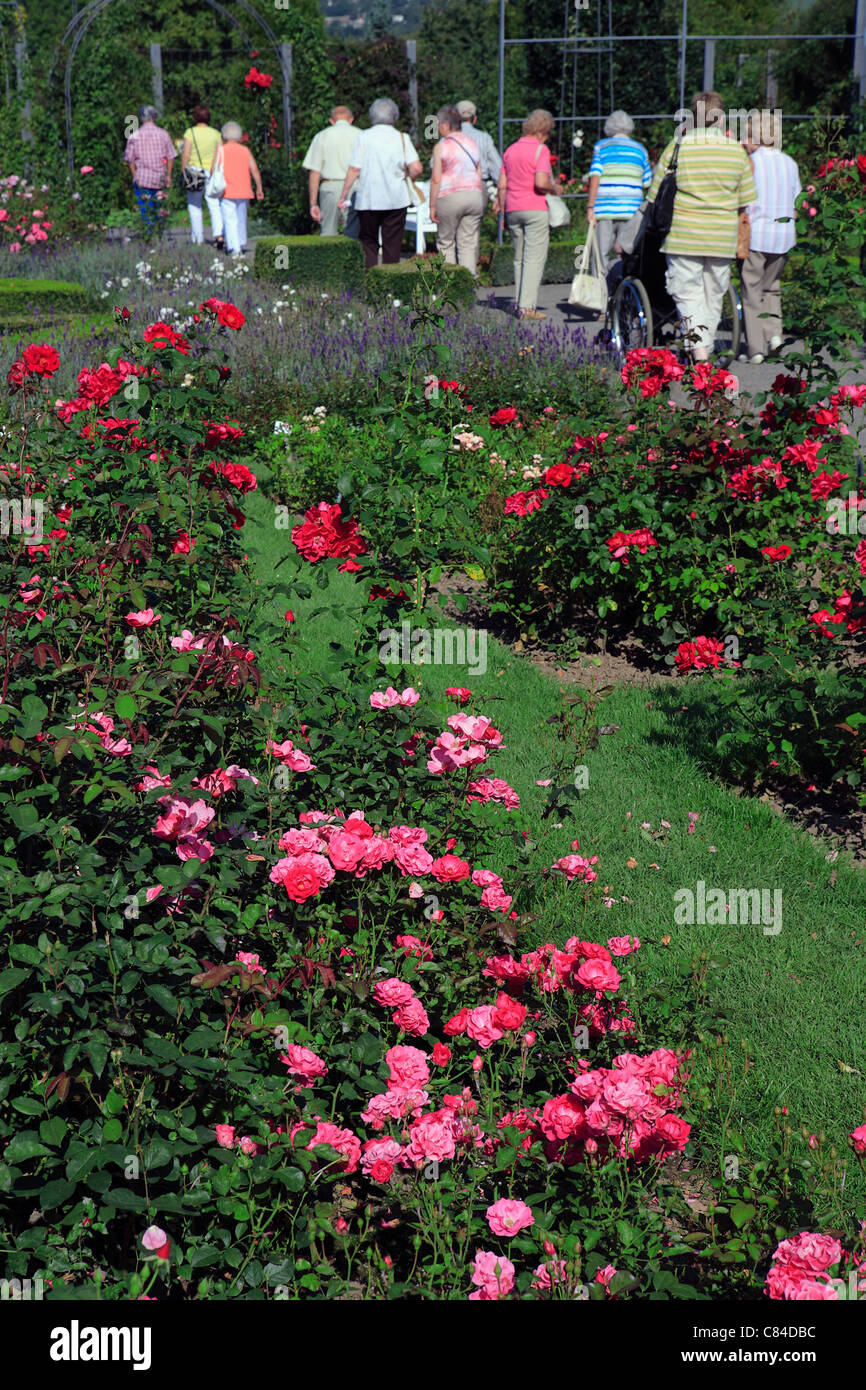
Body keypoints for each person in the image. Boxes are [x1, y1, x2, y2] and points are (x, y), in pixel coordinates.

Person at [646, 90, 757, 362]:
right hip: (721, 238)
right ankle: (702, 351)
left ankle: (700, 354)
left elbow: (654, 196)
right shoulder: (736, 152)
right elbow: (746, 201)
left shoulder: (678, 148)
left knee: (687, 295)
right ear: (720, 118)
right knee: (713, 296)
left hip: (683, 235)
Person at [739, 112, 801, 363]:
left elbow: (743, 199)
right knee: (771, 287)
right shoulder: (790, 163)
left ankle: (755, 348)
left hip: (756, 234)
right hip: (783, 236)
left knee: (751, 291)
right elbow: (796, 202)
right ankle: (774, 335)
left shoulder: (751, 163)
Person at [337, 98, 422, 271]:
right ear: (394, 117)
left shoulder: (364, 137)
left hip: (369, 199)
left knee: (369, 243)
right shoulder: (402, 138)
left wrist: (344, 195)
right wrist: (407, 177)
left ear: (372, 116)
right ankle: (390, 285)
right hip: (396, 198)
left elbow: (354, 168)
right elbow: (417, 168)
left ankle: (371, 281)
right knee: (392, 243)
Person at [496, 109, 556, 320]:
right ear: (541, 131)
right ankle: (527, 307)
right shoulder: (541, 150)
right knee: (534, 259)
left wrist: (503, 211)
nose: (547, 137)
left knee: (519, 258)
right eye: (548, 133)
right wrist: (555, 188)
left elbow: (502, 185)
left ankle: (520, 302)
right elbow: (540, 183)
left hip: (513, 208)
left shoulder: (510, 150)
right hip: (534, 208)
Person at [586, 111, 652, 272]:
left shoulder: (601, 147)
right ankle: (618, 288)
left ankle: (599, 291)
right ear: (630, 128)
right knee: (625, 253)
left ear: (608, 128)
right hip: (631, 210)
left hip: (604, 209)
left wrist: (590, 207)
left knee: (599, 256)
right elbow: (647, 182)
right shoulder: (641, 149)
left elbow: (595, 177)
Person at [428, 105, 486, 277]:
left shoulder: (442, 146)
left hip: (450, 196)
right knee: (467, 244)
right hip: (474, 196)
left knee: (446, 243)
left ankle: (450, 292)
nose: (437, 128)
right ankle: (468, 290)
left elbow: (436, 178)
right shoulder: (473, 143)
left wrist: (432, 205)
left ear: (446, 125)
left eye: (438, 124)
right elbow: (479, 173)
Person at [303, 105, 359, 238]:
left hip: (329, 187)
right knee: (355, 233)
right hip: (355, 186)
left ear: (331, 121)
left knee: (328, 234)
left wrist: (313, 203)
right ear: (351, 120)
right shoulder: (361, 135)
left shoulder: (321, 136)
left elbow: (314, 172)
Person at [123, 105, 176, 237]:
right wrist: (168, 175)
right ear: (154, 117)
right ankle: (159, 234)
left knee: (145, 210)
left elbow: (130, 159)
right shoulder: (163, 134)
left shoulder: (134, 136)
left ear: (141, 118)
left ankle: (148, 235)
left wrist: (135, 175)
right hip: (160, 178)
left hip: (142, 177)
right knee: (160, 209)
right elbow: (171, 156)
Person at [181, 103, 224, 248]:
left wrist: (183, 171)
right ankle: (218, 235)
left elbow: (186, 153)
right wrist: (213, 168)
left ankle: (198, 239)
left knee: (195, 205)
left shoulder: (190, 133)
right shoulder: (216, 134)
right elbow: (219, 153)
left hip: (194, 171)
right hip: (212, 171)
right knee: (214, 204)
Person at [218, 120, 263, 257]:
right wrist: (259, 187)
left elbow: (214, 169)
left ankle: (235, 248)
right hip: (244, 190)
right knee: (241, 218)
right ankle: (239, 243)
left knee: (230, 219)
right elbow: (254, 169)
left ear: (224, 135)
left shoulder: (221, 151)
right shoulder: (245, 150)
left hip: (227, 190)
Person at [456, 100, 502, 183]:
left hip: (453, 185)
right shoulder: (484, 137)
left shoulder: (447, 139)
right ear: (474, 119)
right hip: (478, 184)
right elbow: (496, 165)